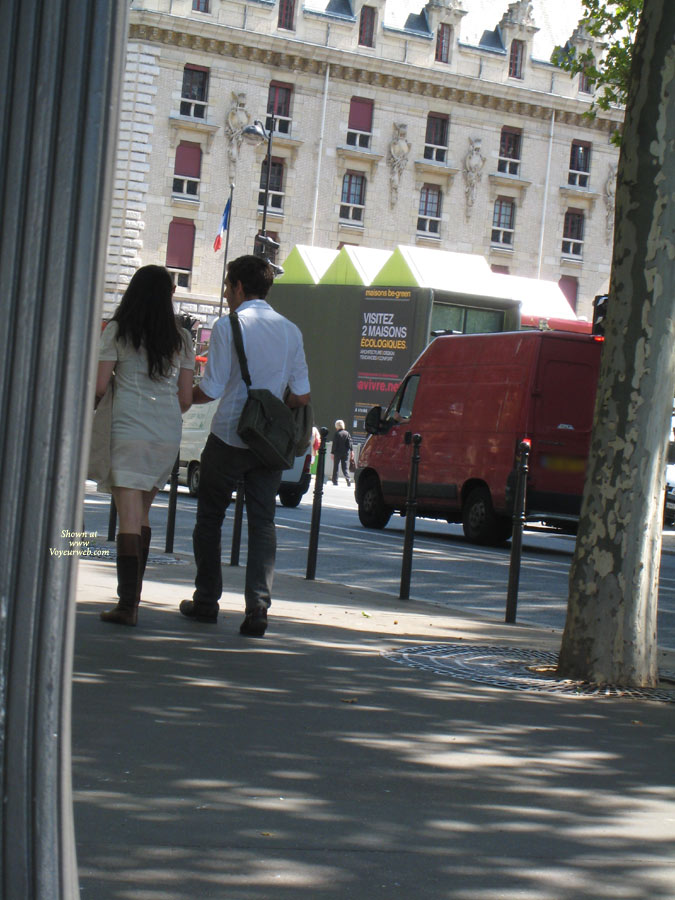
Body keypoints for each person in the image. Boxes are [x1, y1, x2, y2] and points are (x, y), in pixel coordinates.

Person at [180, 255, 310, 637]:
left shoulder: (228, 325)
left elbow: (214, 387)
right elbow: (301, 396)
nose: (225, 293)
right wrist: (269, 410)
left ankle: (206, 600)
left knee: (209, 519)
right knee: (263, 523)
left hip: (228, 436)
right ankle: (258, 608)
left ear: (238, 287)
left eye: (226, 286)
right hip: (268, 446)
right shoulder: (292, 331)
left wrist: (184, 397)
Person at [96, 265, 195, 626]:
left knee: (128, 516)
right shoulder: (182, 339)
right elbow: (185, 398)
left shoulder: (118, 332)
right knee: (143, 514)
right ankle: (131, 601)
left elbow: (100, 386)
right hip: (166, 433)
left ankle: (127, 606)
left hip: (127, 429)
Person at [331, 419, 352, 486]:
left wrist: (332, 452)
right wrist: (351, 451)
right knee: (345, 467)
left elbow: (334, 444)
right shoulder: (347, 433)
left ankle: (335, 481)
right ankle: (348, 479)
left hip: (337, 452)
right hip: (345, 453)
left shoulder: (337, 434)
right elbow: (350, 443)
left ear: (336, 426)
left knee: (336, 467)